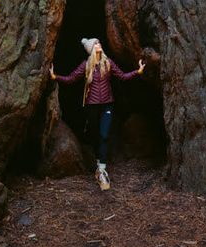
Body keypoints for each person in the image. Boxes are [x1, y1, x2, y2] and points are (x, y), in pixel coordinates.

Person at [50, 37, 145, 190]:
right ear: (91, 49)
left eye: (99, 43)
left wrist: (137, 71)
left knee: (104, 135)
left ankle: (101, 169)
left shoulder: (108, 63)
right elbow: (71, 78)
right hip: (92, 106)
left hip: (107, 104)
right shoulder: (86, 65)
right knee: (95, 134)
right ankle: (96, 158)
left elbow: (122, 76)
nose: (98, 45)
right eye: (95, 44)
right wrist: (55, 77)